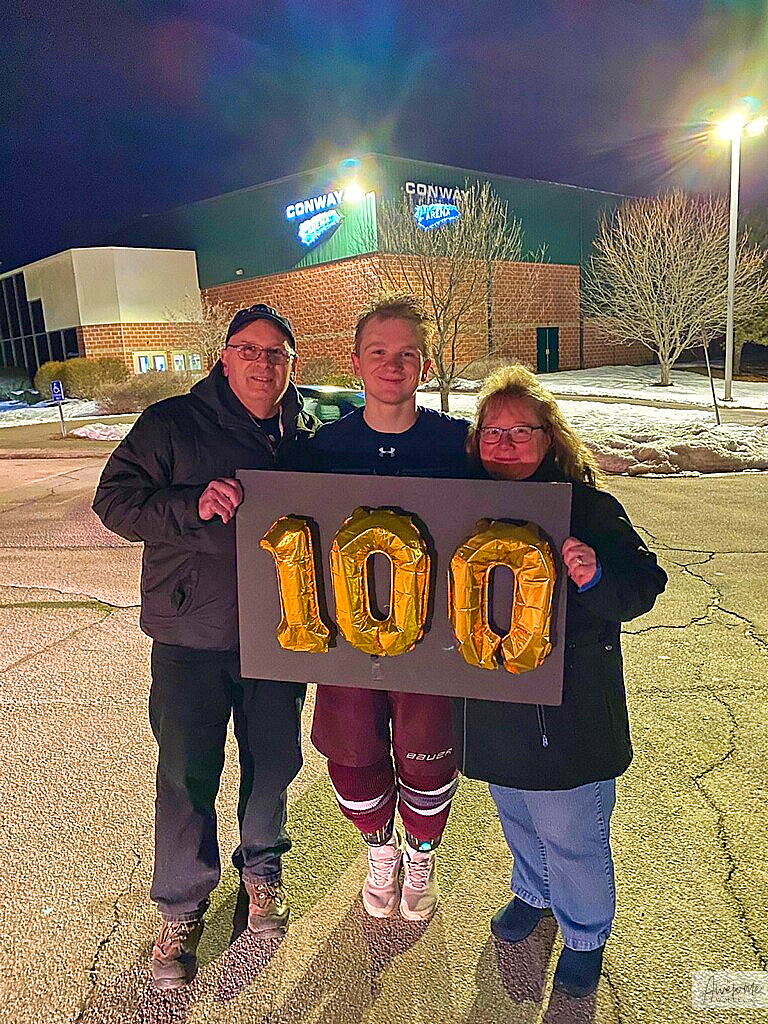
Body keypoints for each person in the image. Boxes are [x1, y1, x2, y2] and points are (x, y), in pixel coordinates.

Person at [92, 304, 317, 990]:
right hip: (190, 634)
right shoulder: (171, 423)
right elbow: (114, 501)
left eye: (276, 353)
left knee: (273, 763)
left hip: (281, 635)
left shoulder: (307, 433)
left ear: (291, 364)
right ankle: (182, 907)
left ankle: (262, 874)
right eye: (248, 349)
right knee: (186, 774)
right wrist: (191, 506)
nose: (262, 363)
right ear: (224, 357)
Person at [454, 364, 667, 998]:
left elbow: (643, 585)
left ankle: (585, 934)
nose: (505, 443)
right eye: (492, 430)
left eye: (522, 430)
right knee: (517, 813)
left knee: (572, 833)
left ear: (551, 437)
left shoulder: (589, 508)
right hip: (494, 707)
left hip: (569, 714)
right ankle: (533, 891)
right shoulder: (458, 505)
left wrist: (596, 576)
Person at [308, 294, 469, 922]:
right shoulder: (324, 448)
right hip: (346, 638)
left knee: (429, 751)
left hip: (433, 638)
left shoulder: (458, 443)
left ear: (425, 365)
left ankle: (422, 852)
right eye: (378, 351)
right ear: (355, 362)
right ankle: (380, 849)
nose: (392, 364)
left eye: (406, 353)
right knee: (352, 752)